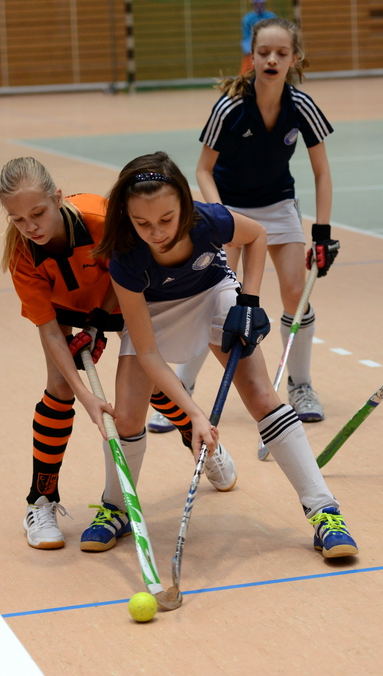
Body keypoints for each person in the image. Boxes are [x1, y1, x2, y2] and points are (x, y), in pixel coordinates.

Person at [94, 150, 358, 560]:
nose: (156, 232)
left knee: (262, 396)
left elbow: (256, 236)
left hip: (212, 293)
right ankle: (116, 507)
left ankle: (325, 511)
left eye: (167, 219)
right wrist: (195, 416)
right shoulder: (126, 257)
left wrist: (248, 301)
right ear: (127, 217)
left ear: (184, 205)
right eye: (142, 223)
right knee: (126, 416)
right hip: (154, 310)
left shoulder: (207, 219)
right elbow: (147, 353)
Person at [0, 156, 236, 555]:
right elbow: (50, 332)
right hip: (62, 310)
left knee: (144, 386)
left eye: (38, 213)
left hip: (121, 296)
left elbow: (124, 270)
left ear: (57, 198)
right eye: (18, 219)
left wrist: (96, 323)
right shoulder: (22, 254)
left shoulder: (99, 217)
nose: (31, 227)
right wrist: (87, 397)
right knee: (60, 388)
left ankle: (197, 438)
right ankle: (40, 501)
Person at [196, 16, 340, 423]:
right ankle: (185, 387)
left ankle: (301, 386)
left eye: (281, 53)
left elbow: (322, 172)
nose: (272, 59)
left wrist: (322, 234)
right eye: (264, 53)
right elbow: (203, 169)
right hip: (230, 207)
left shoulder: (302, 106)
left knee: (296, 292)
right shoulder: (230, 107)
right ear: (252, 57)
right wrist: (220, 216)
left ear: (295, 58)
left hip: (278, 205)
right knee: (216, 297)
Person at [240, 0, 275, 75]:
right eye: (257, 4)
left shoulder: (271, 17)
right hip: (253, 48)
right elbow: (246, 36)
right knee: (248, 70)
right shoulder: (248, 18)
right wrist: (249, 49)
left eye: (261, 4)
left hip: (269, 47)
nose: (259, 6)